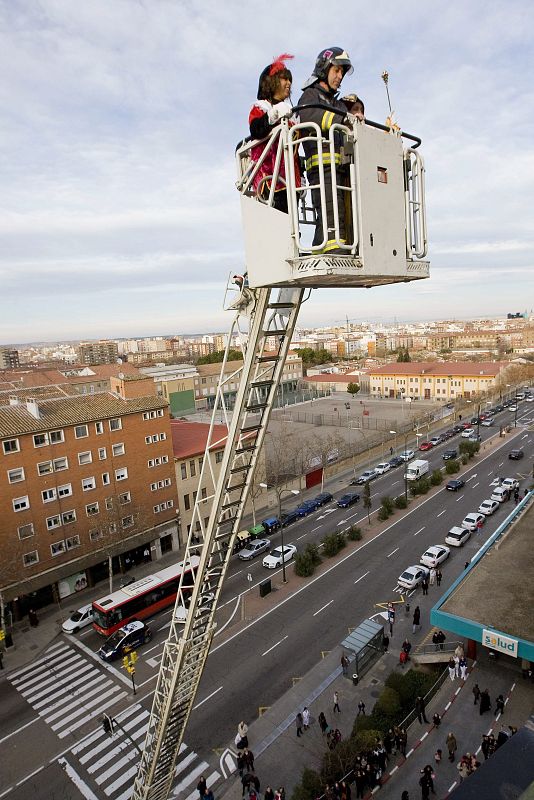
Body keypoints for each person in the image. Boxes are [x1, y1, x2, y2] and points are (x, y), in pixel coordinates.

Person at [298, 47, 355, 254]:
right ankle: (331, 249)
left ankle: (328, 247)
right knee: (330, 210)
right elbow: (309, 116)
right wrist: (342, 120)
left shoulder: (338, 104)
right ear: (324, 67)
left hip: (341, 168)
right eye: (336, 71)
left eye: (342, 73)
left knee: (342, 210)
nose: (340, 77)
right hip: (321, 170)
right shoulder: (309, 96)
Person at [249, 53, 301, 213]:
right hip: (270, 178)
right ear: (271, 83)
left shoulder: (292, 114)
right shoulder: (261, 107)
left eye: (289, 79)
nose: (289, 83)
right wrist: (272, 116)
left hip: (291, 179)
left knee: (292, 227)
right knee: (276, 224)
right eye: (284, 79)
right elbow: (256, 129)